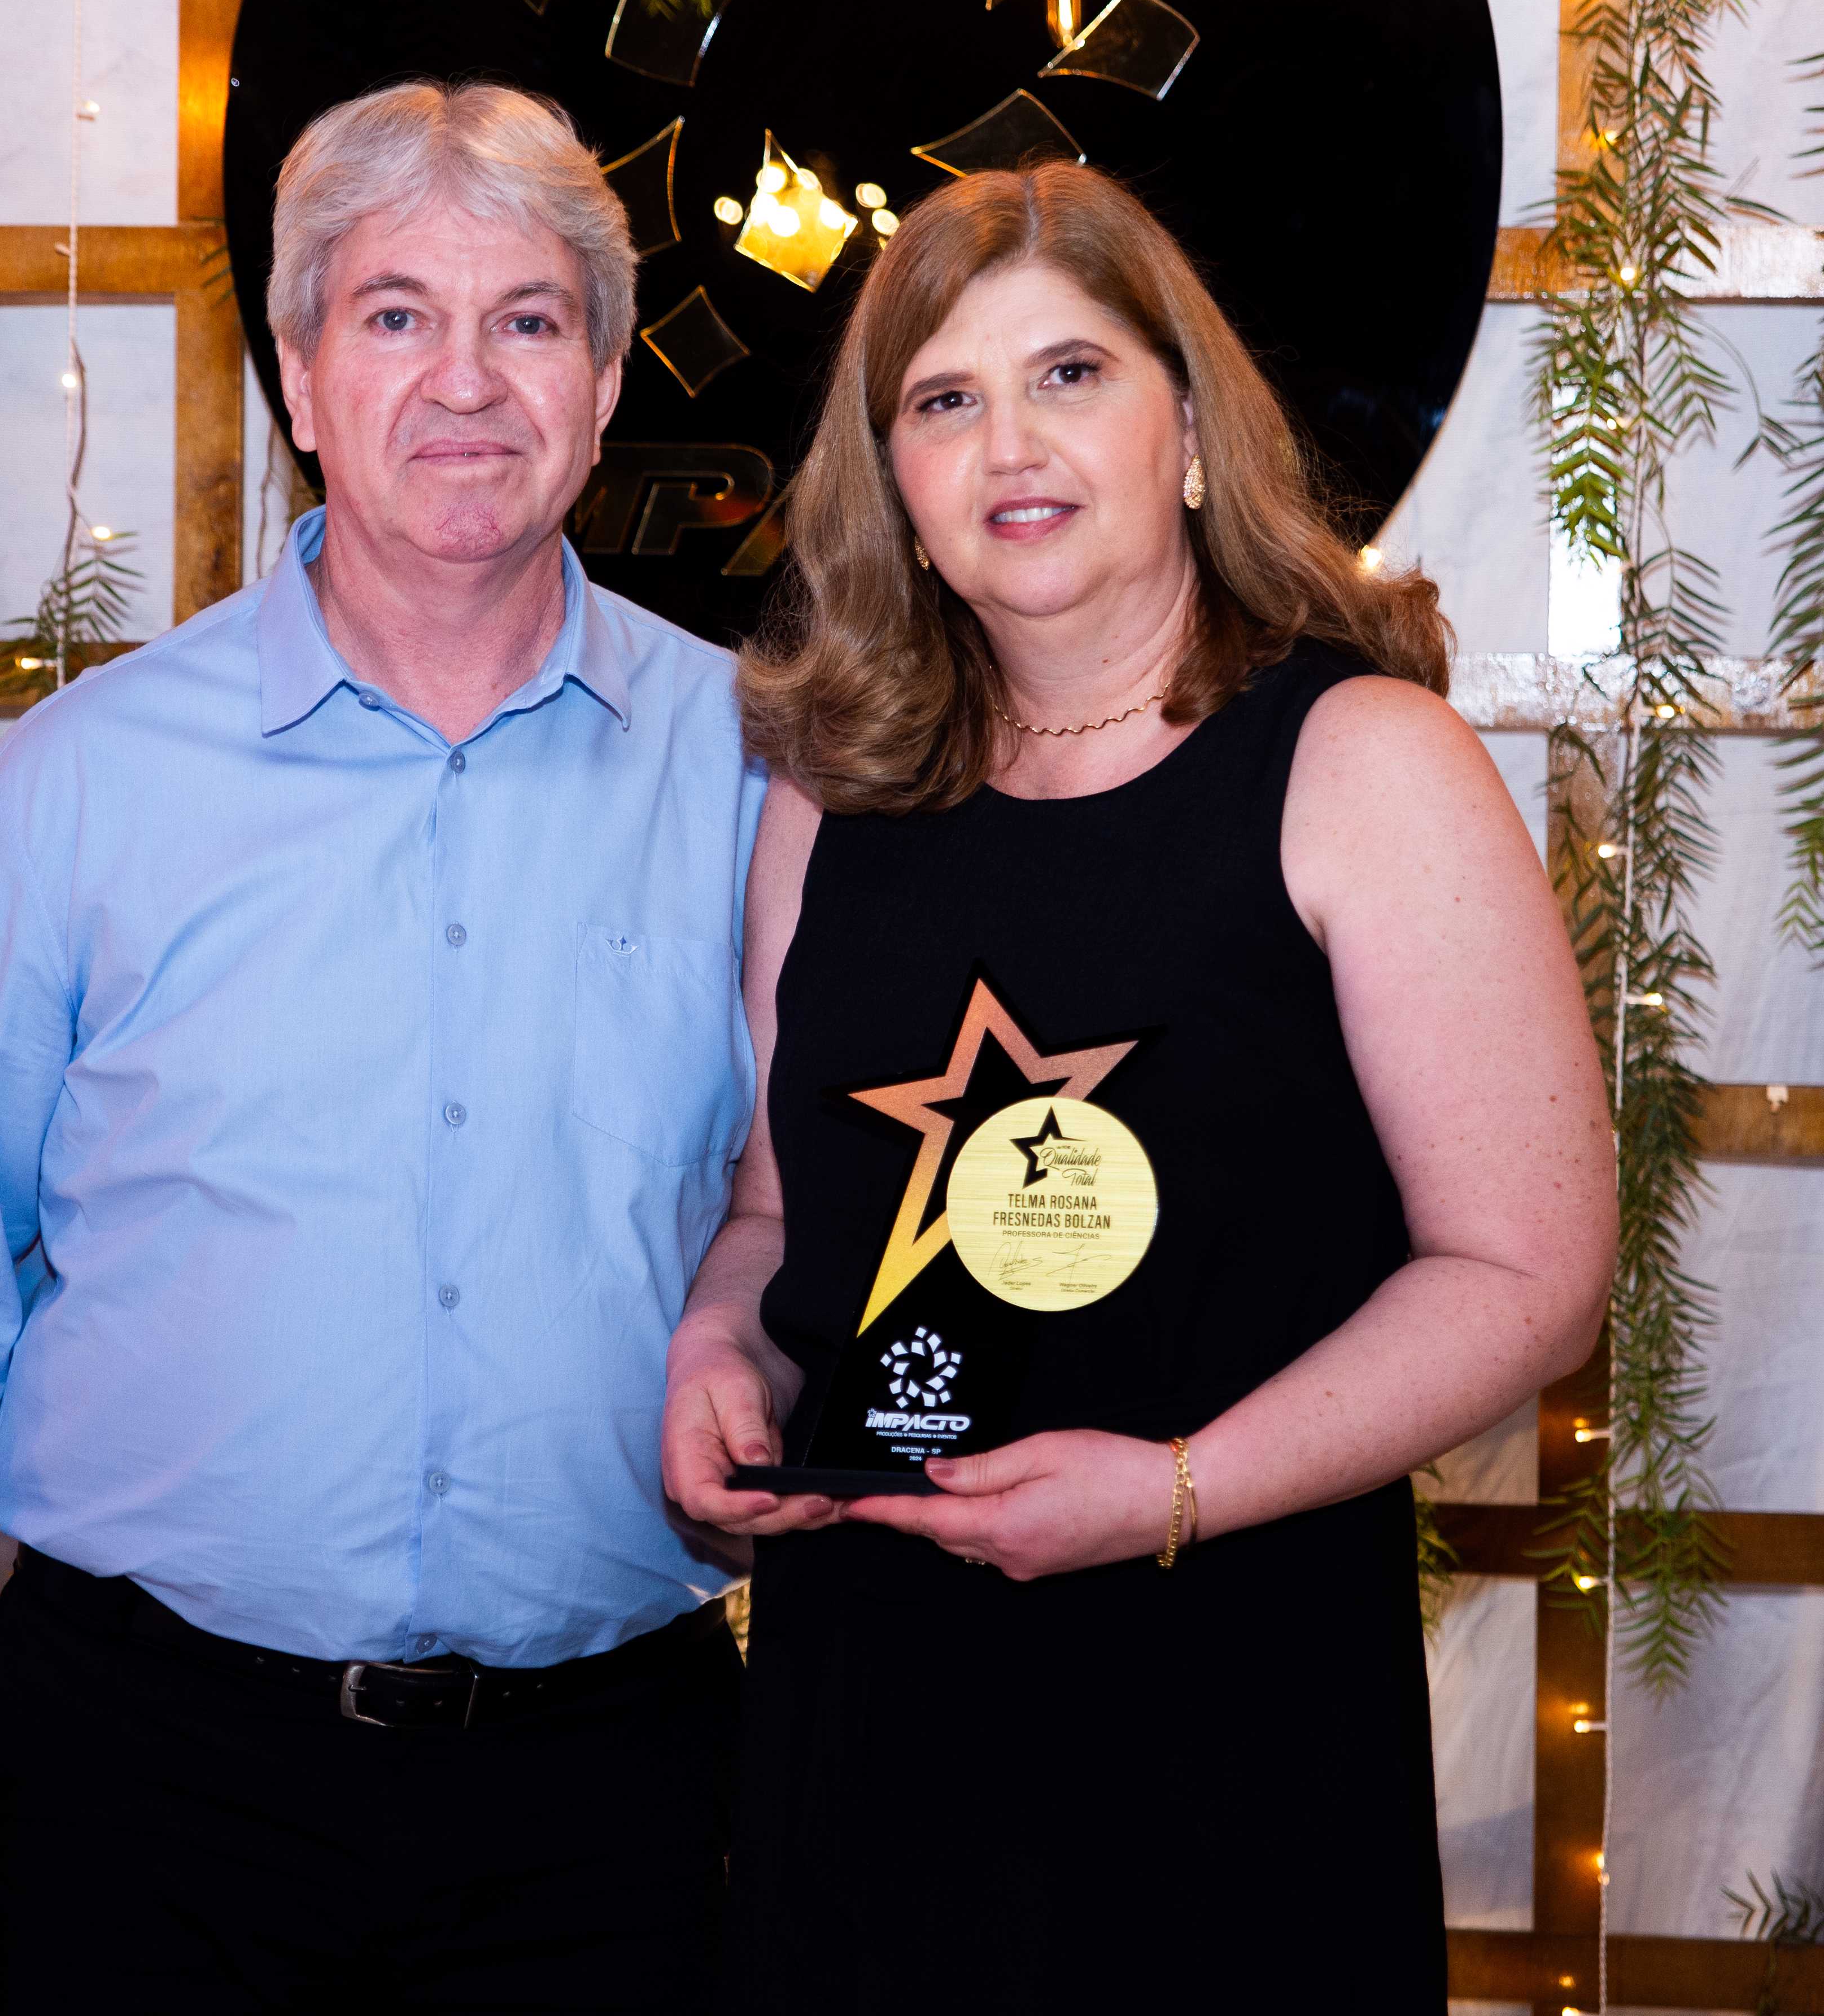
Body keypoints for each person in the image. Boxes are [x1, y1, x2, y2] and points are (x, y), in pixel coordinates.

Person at [0, 80, 762, 2015]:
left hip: (620, 1791)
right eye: (396, 315)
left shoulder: (759, 772)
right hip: (156, 1778)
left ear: (602, 382)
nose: (464, 380)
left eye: (528, 319)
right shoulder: (88, 777)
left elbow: (816, 1219)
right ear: (302, 379)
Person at [661, 162, 1614, 2008]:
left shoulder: (1364, 763)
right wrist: (724, 1349)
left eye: (1071, 373)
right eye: (944, 399)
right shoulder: (826, 797)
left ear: (1186, 429)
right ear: (893, 482)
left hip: (1228, 1712)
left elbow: (1527, 1274)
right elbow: (784, 1208)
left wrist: (1173, 1490)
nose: (1009, 443)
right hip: (867, 1731)